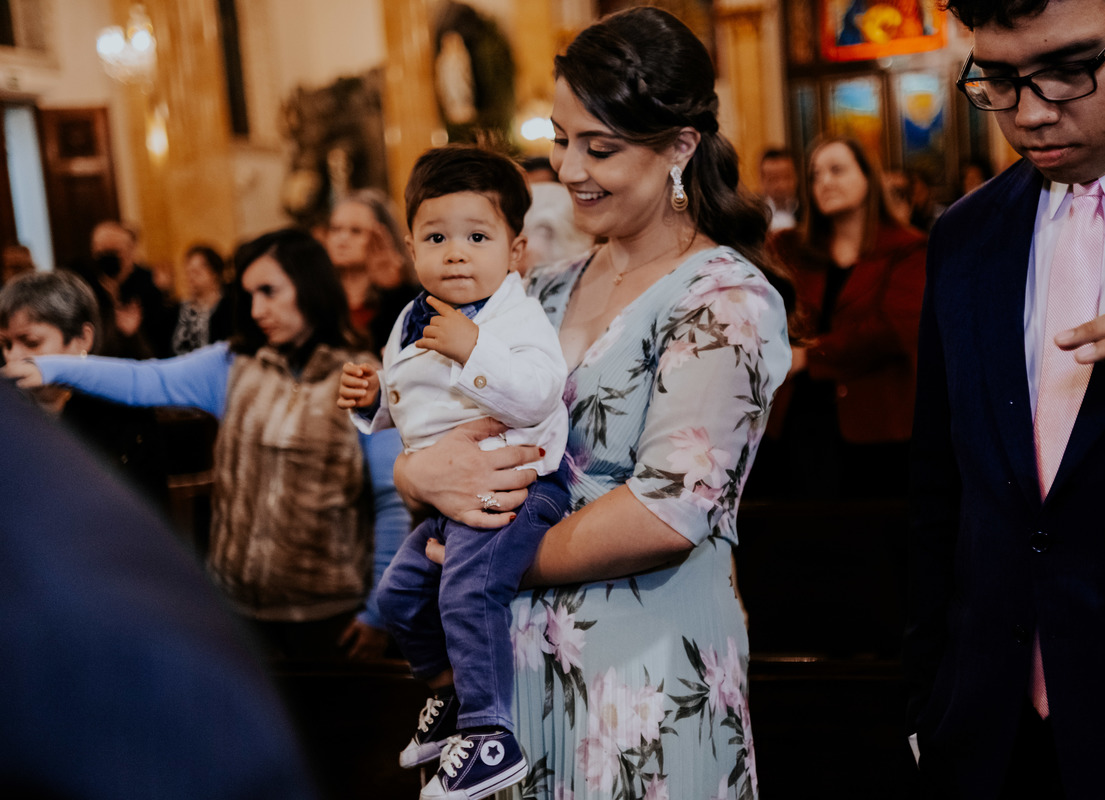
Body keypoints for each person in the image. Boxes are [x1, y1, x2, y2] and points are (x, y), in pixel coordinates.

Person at [390, 8, 791, 799]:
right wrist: (417, 477)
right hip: (509, 673)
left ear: (680, 147)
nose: (569, 168)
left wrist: (488, 562)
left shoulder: (724, 299)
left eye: (599, 148)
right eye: (561, 139)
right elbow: (439, 431)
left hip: (637, 674)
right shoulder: (538, 289)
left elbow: (669, 512)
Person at [906, 0, 1105, 796]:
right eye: (999, 79)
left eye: (1069, 69)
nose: (1031, 114)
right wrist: (929, 708)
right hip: (993, 742)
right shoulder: (967, 233)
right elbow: (939, 494)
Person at [3, 228, 405, 661]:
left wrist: (378, 613)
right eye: (249, 295)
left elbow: (392, 501)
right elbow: (145, 379)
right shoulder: (234, 365)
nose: (257, 309)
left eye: (269, 291)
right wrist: (51, 367)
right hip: (241, 612)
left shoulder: (362, 377)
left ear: (310, 287)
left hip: (331, 614)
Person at [339, 144, 570, 799]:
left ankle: (490, 733)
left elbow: (541, 393)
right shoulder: (412, 317)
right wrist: (374, 399)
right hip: (449, 501)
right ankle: (448, 694)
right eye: (437, 238)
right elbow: (416, 400)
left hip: (520, 491)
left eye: (477, 237)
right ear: (411, 248)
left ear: (515, 250)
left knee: (466, 594)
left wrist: (477, 352)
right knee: (399, 596)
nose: (457, 254)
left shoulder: (516, 317)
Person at [0, 380, 320, 800]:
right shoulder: (238, 370)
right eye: (8, 348)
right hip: (242, 591)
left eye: (30, 347)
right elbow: (151, 379)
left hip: (315, 595)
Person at [751, 136, 925, 499]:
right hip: (798, 419)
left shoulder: (907, 247)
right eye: (815, 175)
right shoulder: (787, 247)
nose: (824, 182)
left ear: (868, 177)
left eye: (837, 170)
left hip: (875, 424)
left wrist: (808, 356)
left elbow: (892, 330)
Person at [0, 270, 169, 509]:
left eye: (31, 342)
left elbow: (148, 512)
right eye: (5, 344)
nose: (13, 356)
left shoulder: (122, 413)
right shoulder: (8, 411)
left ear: (82, 339)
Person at [324, 188, 419, 354]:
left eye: (356, 231)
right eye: (335, 229)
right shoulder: (319, 294)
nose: (342, 238)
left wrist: (393, 290)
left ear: (383, 237)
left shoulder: (404, 294)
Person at [90, 220, 173, 357]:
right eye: (101, 251)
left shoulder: (148, 284)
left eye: (114, 251)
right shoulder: (89, 286)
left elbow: (161, 341)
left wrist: (133, 335)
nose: (106, 258)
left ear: (130, 252)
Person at [169, 243, 234, 355]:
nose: (190, 278)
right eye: (188, 273)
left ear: (214, 274)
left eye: (196, 272)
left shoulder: (228, 308)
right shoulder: (178, 309)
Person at [759, 147, 801, 230]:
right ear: (762, 181)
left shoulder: (808, 211)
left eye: (787, 177)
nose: (781, 185)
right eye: (773, 179)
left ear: (796, 178)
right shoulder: (757, 214)